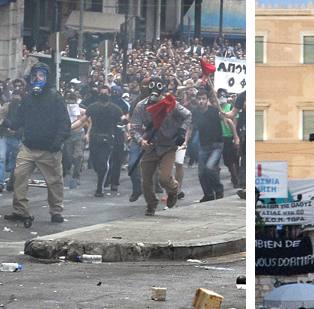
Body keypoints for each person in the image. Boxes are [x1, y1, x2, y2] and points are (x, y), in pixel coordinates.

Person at [3, 62, 70, 224]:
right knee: (19, 176)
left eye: (41, 75)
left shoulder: (55, 97)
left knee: (54, 182)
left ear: (47, 78)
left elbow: (64, 124)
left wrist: (57, 142)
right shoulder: (28, 98)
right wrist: (9, 124)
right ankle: (21, 210)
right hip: (29, 146)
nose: (37, 78)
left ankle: (55, 211)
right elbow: (20, 119)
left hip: (49, 149)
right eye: (34, 75)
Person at [132, 77, 191, 215]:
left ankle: (173, 189)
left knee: (163, 177)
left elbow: (188, 115)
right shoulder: (141, 106)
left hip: (168, 146)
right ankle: (151, 204)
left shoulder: (171, 104)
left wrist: (182, 131)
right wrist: (141, 141)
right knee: (145, 181)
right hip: (150, 146)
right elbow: (134, 127)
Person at [187, 87, 234, 202]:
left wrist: (235, 136)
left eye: (203, 99)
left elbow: (229, 121)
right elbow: (190, 128)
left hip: (216, 145)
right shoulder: (195, 113)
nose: (201, 101)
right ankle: (208, 194)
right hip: (203, 146)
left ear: (207, 100)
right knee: (201, 173)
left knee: (209, 167)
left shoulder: (214, 111)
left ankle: (218, 189)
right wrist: (185, 141)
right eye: (199, 99)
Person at [83, 84, 126, 197]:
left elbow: (124, 120)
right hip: (95, 139)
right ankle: (102, 176)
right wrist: (70, 128)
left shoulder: (115, 108)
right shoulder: (93, 107)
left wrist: (125, 127)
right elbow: (82, 120)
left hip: (108, 139)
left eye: (106, 94)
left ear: (109, 94)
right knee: (97, 164)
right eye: (102, 94)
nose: (104, 95)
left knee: (103, 162)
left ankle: (99, 188)